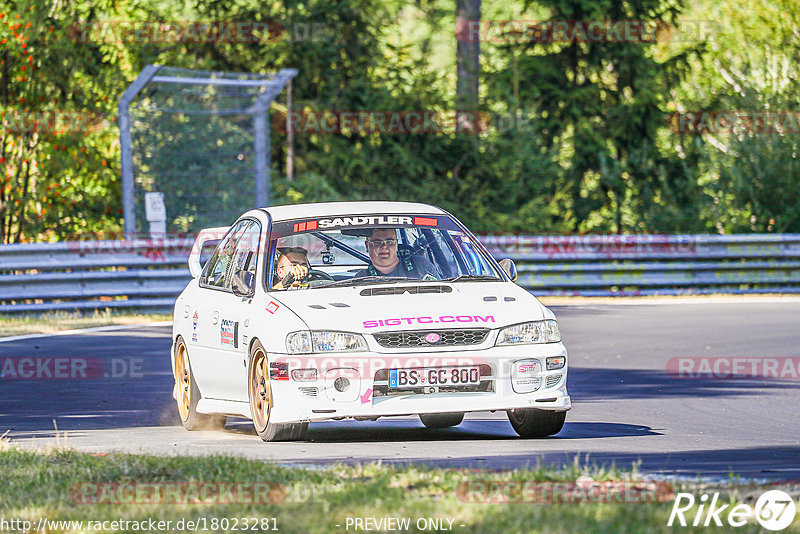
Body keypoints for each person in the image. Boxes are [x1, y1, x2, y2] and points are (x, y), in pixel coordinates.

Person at [354, 228, 439, 280]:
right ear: (367, 246)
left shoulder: (421, 266)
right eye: (377, 242)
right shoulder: (361, 279)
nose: (384, 247)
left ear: (396, 244)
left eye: (389, 242)